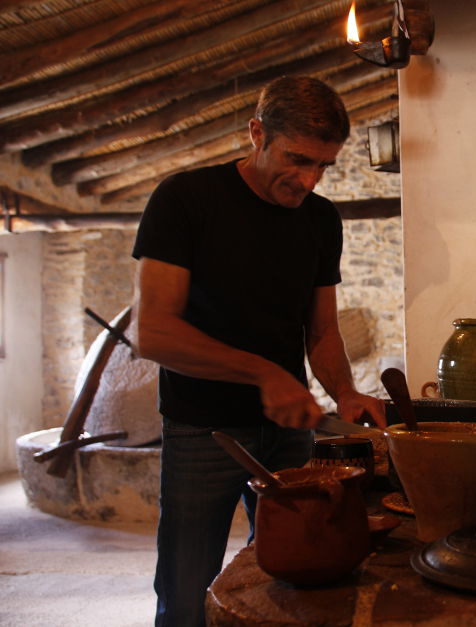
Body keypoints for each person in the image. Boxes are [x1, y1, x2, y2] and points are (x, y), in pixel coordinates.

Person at [131, 75, 386, 627]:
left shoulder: (321, 220)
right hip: (204, 430)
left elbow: (321, 331)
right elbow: (151, 331)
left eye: (324, 166)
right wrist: (263, 373)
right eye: (297, 159)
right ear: (256, 134)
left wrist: (343, 391)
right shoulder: (186, 200)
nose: (309, 180)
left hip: (288, 431)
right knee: (186, 588)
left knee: (292, 577)